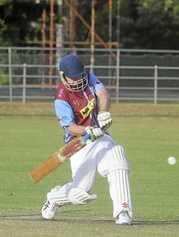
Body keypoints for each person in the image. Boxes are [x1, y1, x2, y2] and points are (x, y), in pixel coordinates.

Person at [41, 54, 133, 225]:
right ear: (63, 76)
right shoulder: (61, 98)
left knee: (118, 159)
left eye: (79, 76)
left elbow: (103, 94)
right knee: (81, 192)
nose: (78, 80)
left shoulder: (89, 77)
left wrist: (104, 112)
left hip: (102, 138)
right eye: (73, 77)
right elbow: (70, 127)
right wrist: (88, 130)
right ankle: (53, 198)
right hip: (78, 144)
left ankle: (123, 211)